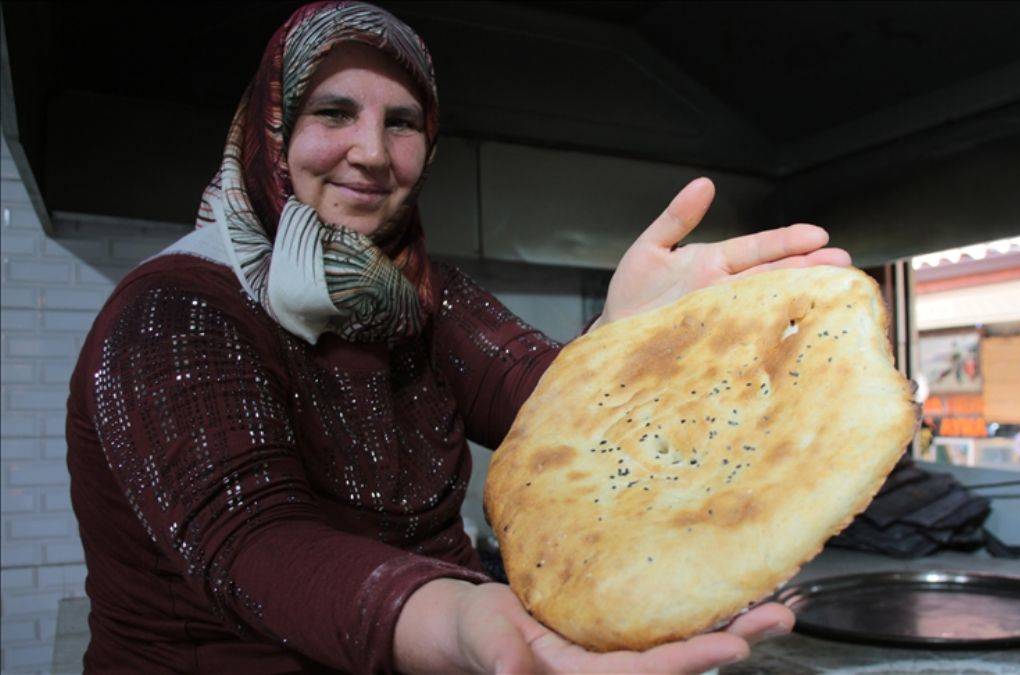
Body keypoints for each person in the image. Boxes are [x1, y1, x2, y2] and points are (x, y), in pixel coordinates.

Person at [65, 2, 852, 672]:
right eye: (333, 111)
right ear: (268, 129)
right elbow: (256, 542)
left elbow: (551, 412)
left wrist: (624, 338)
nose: (371, 152)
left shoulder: (422, 300)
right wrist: (458, 619)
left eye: (401, 123)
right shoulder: (173, 312)